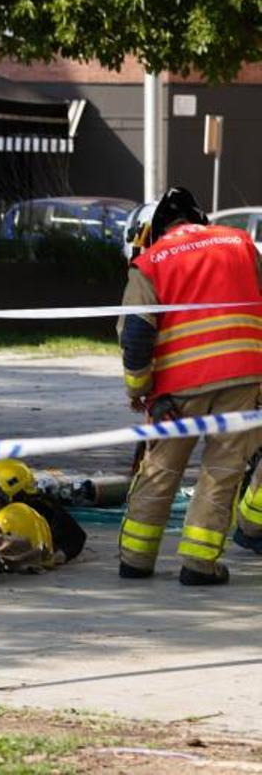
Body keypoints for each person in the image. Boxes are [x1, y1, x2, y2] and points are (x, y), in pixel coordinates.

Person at [118, 186, 262, 586]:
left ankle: (135, 560)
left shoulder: (150, 262)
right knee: (222, 470)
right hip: (244, 375)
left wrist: (141, 389)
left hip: (177, 388)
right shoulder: (241, 243)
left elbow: (135, 334)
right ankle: (199, 565)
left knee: (161, 468)